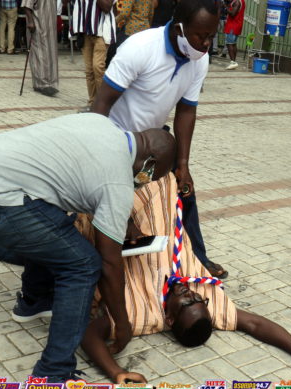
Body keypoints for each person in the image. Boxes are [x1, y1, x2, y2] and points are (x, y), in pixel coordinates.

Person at [0, 176, 291, 386]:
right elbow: (255, 324)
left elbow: (89, 334)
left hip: (92, 233)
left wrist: (116, 373)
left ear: (170, 319)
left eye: (186, 303)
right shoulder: (205, 303)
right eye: (198, 299)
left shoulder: (145, 317)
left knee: (30, 249)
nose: (191, 293)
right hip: (142, 209)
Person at [0, 113, 177, 389]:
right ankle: (52, 378)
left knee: (59, 234)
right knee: (83, 265)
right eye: (151, 178)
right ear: (149, 163)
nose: (144, 184)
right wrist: (123, 323)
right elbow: (109, 263)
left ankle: (33, 302)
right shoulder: (117, 181)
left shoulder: (103, 124)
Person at [92, 0, 229, 279]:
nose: (206, 44)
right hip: (116, 136)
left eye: (211, 36)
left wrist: (183, 164)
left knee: (184, 190)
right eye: (200, 36)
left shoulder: (199, 59)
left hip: (154, 142)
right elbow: (101, 103)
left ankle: (197, 257)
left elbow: (187, 110)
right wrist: (98, 151)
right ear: (179, 28)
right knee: (112, 202)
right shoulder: (140, 48)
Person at [70, 0, 115, 110]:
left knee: (97, 67)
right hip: (85, 32)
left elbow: (107, 7)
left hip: (102, 32)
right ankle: (92, 103)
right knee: (89, 70)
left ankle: (104, 104)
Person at [23, 0, 60, 96]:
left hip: (50, 26)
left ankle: (51, 83)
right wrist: (30, 21)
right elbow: (26, 6)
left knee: (51, 54)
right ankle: (41, 84)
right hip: (38, 25)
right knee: (39, 54)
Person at [223, 0, 244, 70]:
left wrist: (225, 7)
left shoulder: (237, 2)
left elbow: (232, 14)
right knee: (233, 44)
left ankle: (233, 62)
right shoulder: (242, 1)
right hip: (236, 25)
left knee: (229, 44)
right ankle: (234, 62)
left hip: (233, 25)